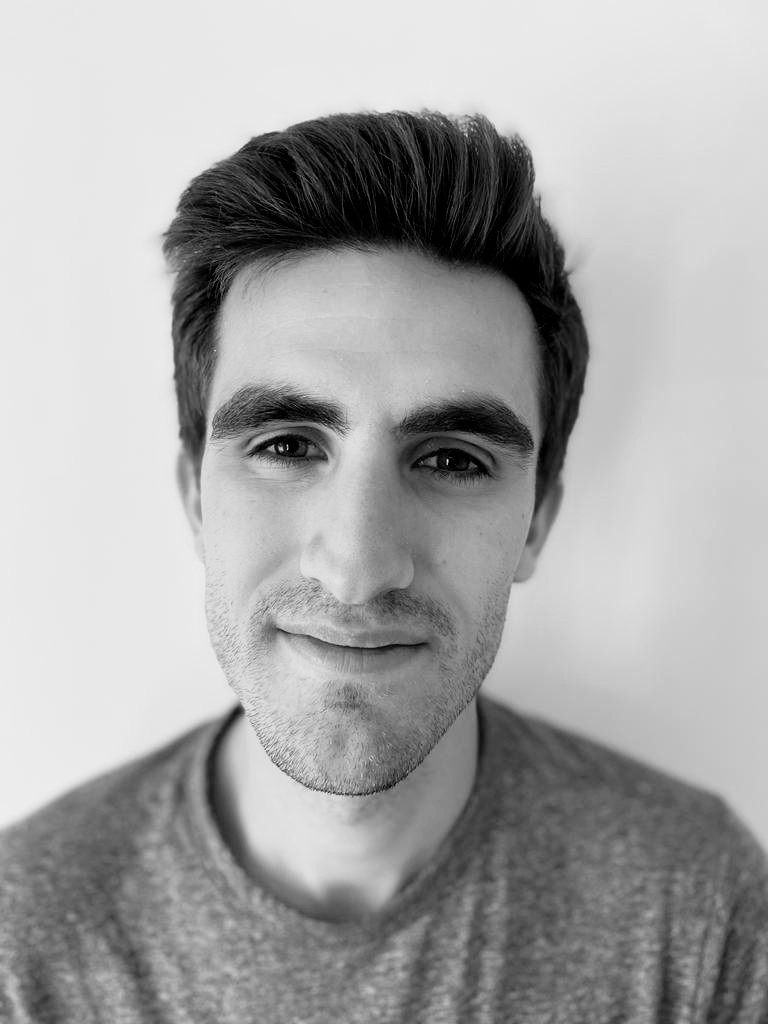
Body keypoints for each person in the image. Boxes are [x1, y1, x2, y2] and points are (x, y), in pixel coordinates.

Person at [1, 110, 766, 1023]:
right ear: (197, 497)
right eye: (287, 445)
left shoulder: (699, 915)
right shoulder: (23, 950)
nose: (357, 569)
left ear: (535, 522)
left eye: (451, 459)